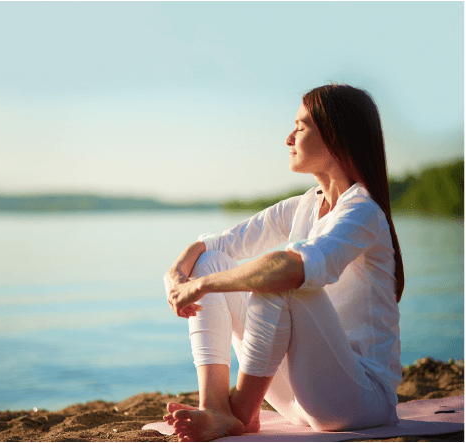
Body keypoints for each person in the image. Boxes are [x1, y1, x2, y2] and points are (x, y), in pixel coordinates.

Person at [163, 83, 405, 442]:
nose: (289, 137)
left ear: (336, 136)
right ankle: (216, 406)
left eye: (301, 127)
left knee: (282, 276)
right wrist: (177, 273)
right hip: (296, 399)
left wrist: (201, 286)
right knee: (213, 261)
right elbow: (214, 244)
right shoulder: (303, 205)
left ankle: (241, 413)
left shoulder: (362, 211)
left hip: (359, 401)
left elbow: (291, 268)